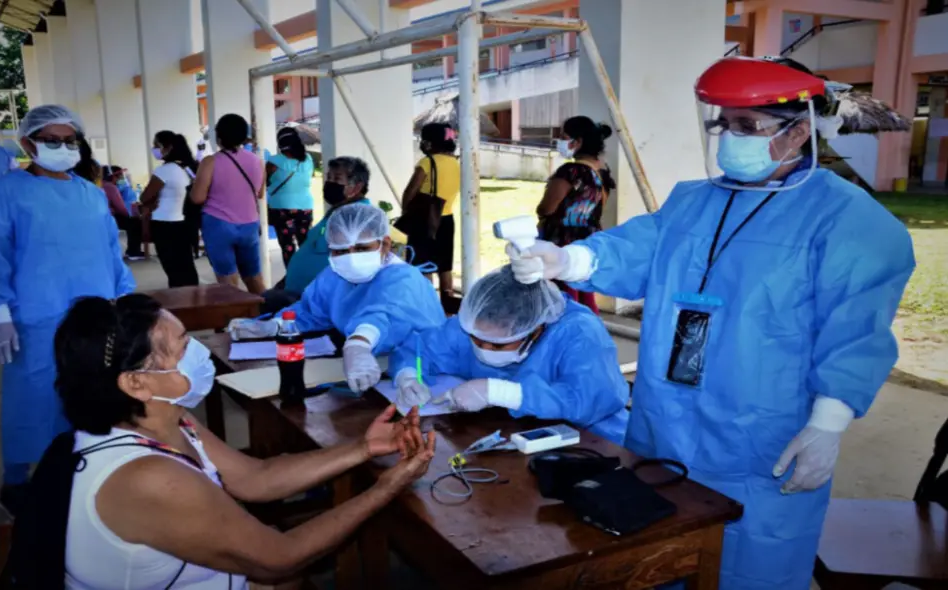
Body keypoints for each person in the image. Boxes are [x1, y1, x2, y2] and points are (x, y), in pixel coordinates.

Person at [508, 57, 916, 589]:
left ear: (796, 134)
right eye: (723, 123)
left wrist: (828, 424)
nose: (730, 138)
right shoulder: (694, 201)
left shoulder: (849, 221)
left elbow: (856, 332)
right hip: (667, 420)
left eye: (747, 127)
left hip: (760, 434)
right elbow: (640, 247)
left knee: (750, 563)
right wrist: (567, 261)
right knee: (659, 547)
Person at [8, 294, 435, 588]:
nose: (198, 352)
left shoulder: (165, 421)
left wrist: (363, 447)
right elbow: (279, 555)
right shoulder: (146, 476)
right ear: (136, 382)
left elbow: (257, 478)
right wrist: (386, 487)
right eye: (182, 347)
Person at [0, 104, 136, 517]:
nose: (62, 147)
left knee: (91, 395)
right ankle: (17, 482)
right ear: (27, 143)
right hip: (35, 318)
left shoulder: (91, 195)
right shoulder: (4, 194)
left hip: (94, 318)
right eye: (51, 140)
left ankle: (81, 472)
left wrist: (124, 302)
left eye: (68, 140)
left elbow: (112, 256)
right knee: (33, 399)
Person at [392, 266, 630, 443]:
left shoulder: (579, 333)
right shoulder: (474, 323)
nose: (483, 349)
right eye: (476, 340)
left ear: (536, 330)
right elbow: (419, 348)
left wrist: (501, 392)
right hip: (502, 435)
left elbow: (589, 401)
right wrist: (408, 376)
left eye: (498, 345)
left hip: (594, 443)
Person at [277, 202, 445, 393]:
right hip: (364, 371)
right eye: (340, 251)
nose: (351, 258)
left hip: (416, 373)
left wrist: (358, 344)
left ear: (385, 245)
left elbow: (384, 316)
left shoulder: (404, 280)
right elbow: (312, 310)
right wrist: (276, 324)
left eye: (362, 248)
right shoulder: (335, 275)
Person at [260, 156, 372, 314]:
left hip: (315, 303)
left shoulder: (356, 216)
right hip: (298, 296)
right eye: (328, 177)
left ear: (356, 187)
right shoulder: (337, 211)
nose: (329, 183)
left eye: (337, 179)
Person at [536, 116, 614, 315]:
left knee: (561, 298)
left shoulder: (571, 172)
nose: (560, 142)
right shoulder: (601, 172)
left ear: (577, 142)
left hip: (562, 242)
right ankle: (590, 335)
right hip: (589, 242)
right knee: (585, 297)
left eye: (563, 137)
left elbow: (547, 208)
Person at [191, 114, 266, 294]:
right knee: (254, 277)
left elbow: (197, 197)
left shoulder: (210, 162)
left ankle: (236, 318)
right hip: (249, 224)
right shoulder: (257, 161)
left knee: (228, 281)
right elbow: (260, 193)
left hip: (218, 225)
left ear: (219, 136)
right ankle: (267, 313)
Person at [400, 123, 461, 297]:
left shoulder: (427, 162)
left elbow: (410, 192)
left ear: (430, 143)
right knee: (445, 265)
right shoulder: (455, 163)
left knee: (423, 263)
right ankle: (448, 304)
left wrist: (407, 214)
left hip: (424, 220)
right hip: (447, 219)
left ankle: (428, 303)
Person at [139, 131, 200, 287]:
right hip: (184, 222)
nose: (154, 149)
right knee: (186, 266)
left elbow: (145, 197)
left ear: (168, 147)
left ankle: (180, 302)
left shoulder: (164, 170)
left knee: (172, 268)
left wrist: (150, 203)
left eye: (157, 145)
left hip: (164, 224)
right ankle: (193, 299)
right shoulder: (189, 168)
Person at [266, 127, 315, 266]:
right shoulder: (308, 159)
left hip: (281, 208)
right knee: (305, 246)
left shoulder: (274, 161)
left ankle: (292, 277)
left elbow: (263, 182)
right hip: (305, 206)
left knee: (288, 247)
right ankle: (307, 276)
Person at [102, 166, 144, 260]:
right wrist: (129, 215)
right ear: (113, 176)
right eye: (119, 176)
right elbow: (120, 207)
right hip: (109, 217)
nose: (121, 178)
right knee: (135, 222)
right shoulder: (111, 187)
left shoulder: (99, 185)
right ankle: (133, 252)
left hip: (101, 216)